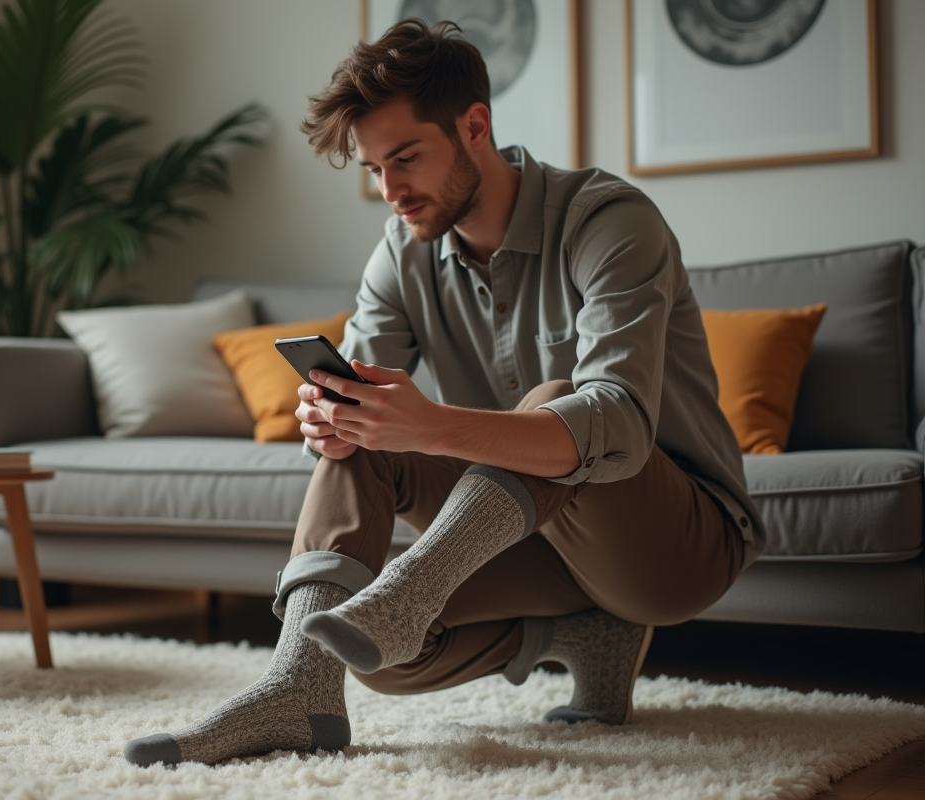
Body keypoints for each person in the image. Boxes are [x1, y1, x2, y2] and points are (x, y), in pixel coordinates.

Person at [123, 18, 764, 768]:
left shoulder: (609, 221)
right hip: (539, 542)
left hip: (673, 546)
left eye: (405, 158)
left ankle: (408, 597)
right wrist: (334, 417)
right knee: (365, 625)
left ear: (475, 127)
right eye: (372, 169)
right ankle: (299, 685)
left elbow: (616, 425)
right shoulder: (403, 250)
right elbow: (363, 406)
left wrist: (427, 428)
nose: (390, 191)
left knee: (561, 400)